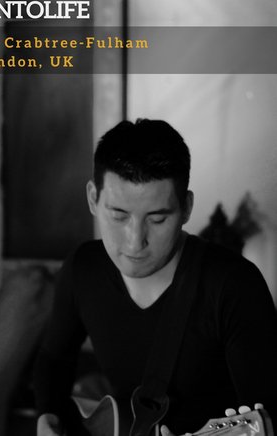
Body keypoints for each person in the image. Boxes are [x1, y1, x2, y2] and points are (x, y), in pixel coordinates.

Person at [34, 119, 277, 436]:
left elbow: (269, 415)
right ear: (93, 198)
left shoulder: (235, 286)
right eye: (118, 215)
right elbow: (53, 358)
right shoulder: (84, 267)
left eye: (158, 219)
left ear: (186, 208)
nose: (135, 241)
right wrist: (48, 416)